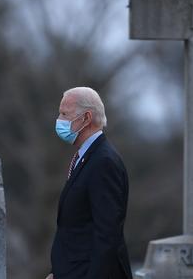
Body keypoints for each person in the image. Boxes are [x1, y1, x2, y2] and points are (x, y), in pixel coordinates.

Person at [46, 87, 132, 279]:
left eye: (64, 114)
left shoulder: (104, 162)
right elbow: (77, 228)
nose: (59, 120)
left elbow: (107, 235)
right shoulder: (86, 157)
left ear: (86, 118)